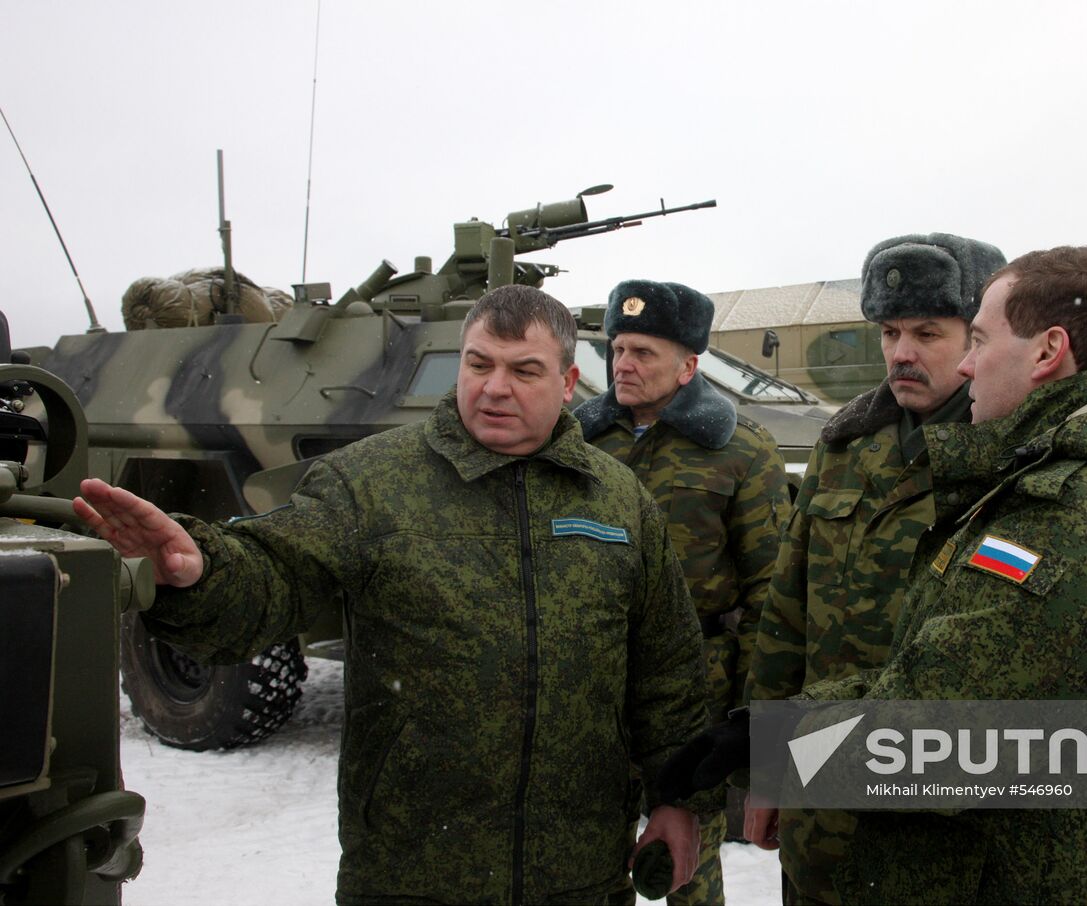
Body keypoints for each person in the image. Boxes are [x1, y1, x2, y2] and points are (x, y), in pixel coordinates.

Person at [75, 286, 710, 905]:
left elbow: (667, 670)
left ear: (568, 385)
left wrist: (677, 800)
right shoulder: (373, 483)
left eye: (524, 371)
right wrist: (202, 571)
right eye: (478, 363)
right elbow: (275, 575)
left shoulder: (618, 499)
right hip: (412, 869)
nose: (494, 387)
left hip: (582, 869)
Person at [781, 246, 1087, 903]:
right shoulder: (1060, 478)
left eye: (978, 339)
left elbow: (938, 738)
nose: (964, 363)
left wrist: (770, 742)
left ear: (1047, 352)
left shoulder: (1075, 519)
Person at [742, 233, 1007, 903]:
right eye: (890, 331)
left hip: (938, 830)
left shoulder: (1011, 457)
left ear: (978, 336)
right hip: (819, 811)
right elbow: (786, 619)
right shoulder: (846, 445)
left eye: (927, 332)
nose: (902, 352)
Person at [575, 278, 791, 906]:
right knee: (586, 851)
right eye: (618, 349)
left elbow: (769, 594)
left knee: (685, 862)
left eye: (644, 352)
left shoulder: (739, 449)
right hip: (595, 676)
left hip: (696, 684)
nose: (624, 365)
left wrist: (753, 713)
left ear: (689, 365)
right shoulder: (580, 442)